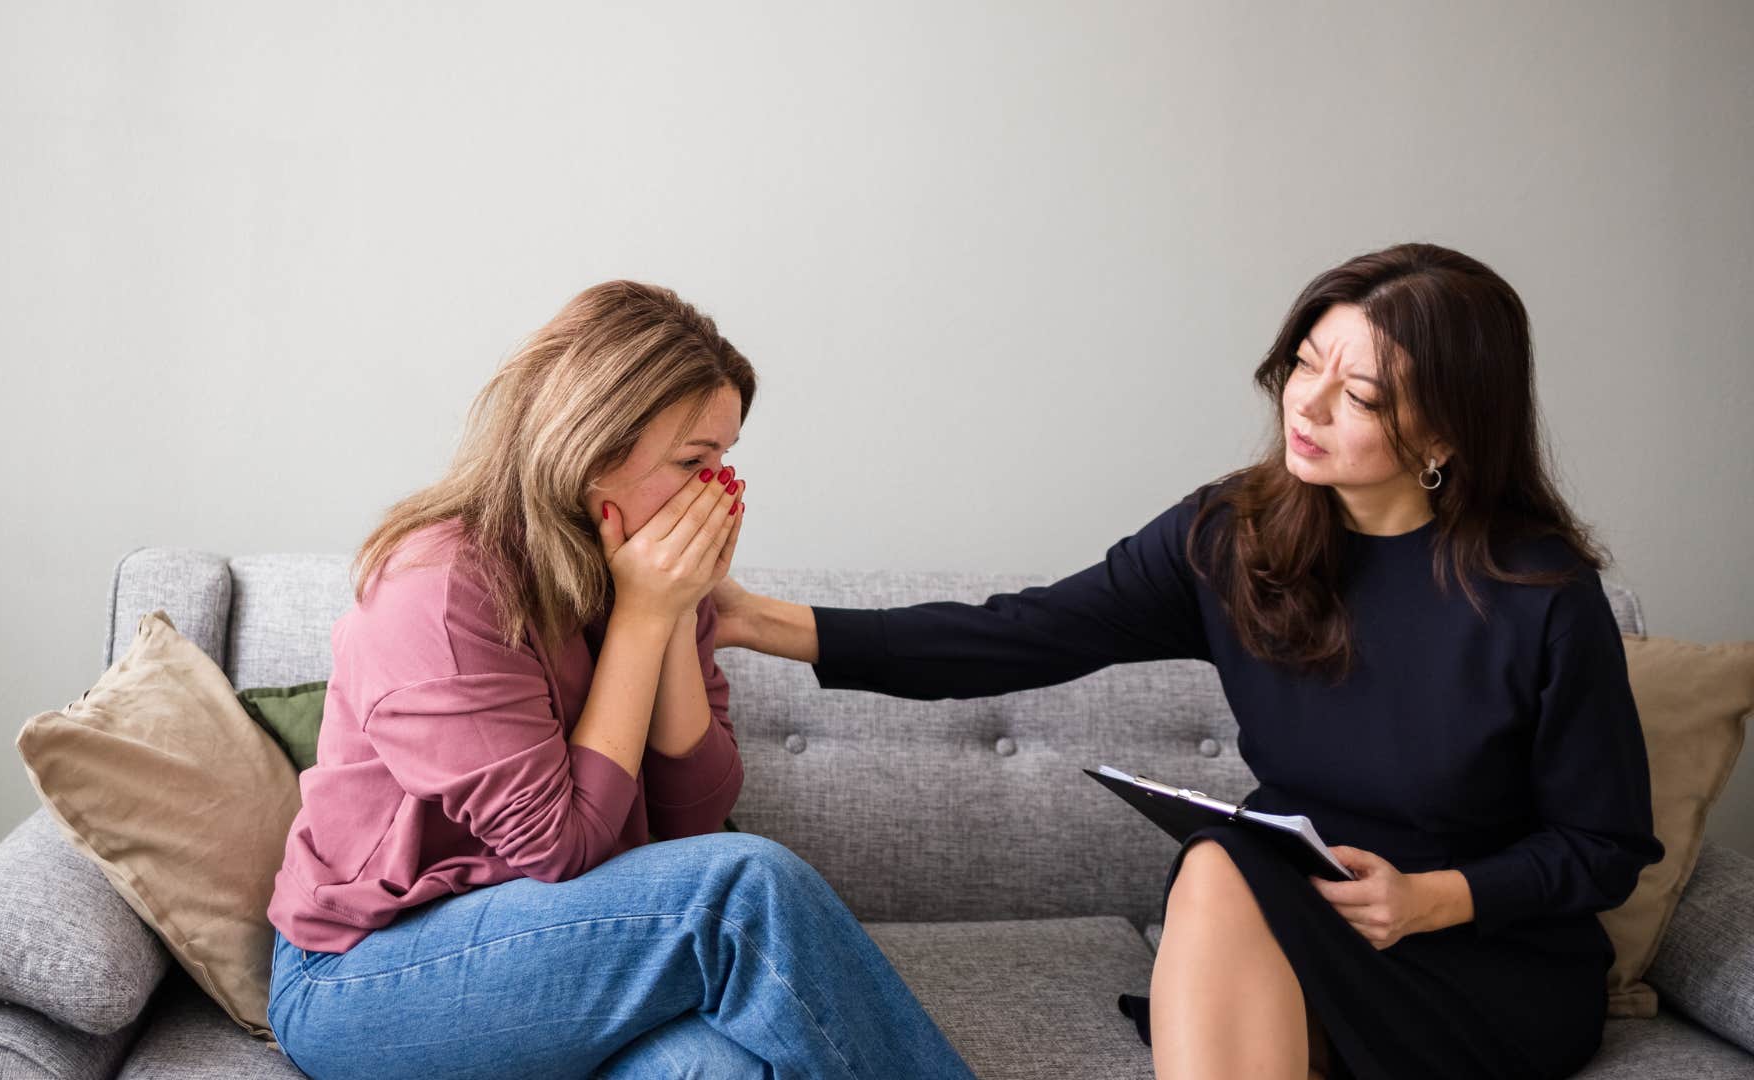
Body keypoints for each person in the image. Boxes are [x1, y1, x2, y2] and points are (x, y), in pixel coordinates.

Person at [711, 243, 1664, 1079]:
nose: (1310, 403)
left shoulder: (1542, 596)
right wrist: (752, 620)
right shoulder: (1232, 537)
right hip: (1303, 919)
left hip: (1482, 959)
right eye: (1304, 364)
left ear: (1448, 432)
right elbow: (1016, 633)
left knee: (1224, 895)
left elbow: (1605, 848)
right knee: (1218, 861)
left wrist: (1433, 898)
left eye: (1361, 395)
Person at [264, 281, 974, 1079]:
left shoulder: (642, 571)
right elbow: (559, 847)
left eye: (723, 463)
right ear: (593, 447)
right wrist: (642, 616)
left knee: (721, 1070)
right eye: (691, 462)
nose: (714, 491)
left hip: (572, 947)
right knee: (743, 887)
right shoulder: (439, 591)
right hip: (369, 976)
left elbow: (691, 822)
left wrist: (667, 617)